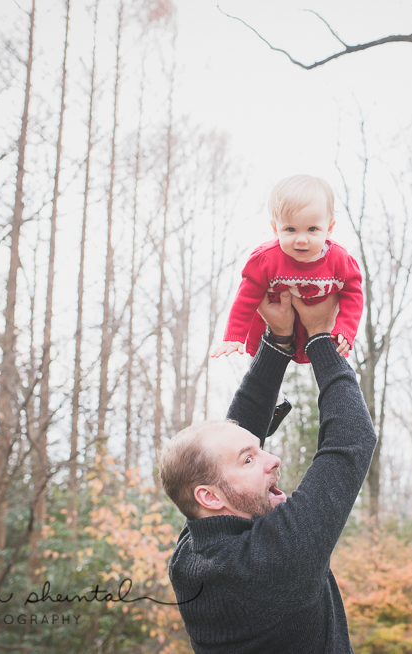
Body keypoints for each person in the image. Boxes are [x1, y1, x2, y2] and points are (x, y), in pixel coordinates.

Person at [160, 292, 376, 653]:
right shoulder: (273, 560)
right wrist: (321, 337)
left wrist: (278, 341)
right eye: (249, 459)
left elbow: (234, 434)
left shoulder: (191, 556)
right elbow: (352, 440)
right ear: (210, 496)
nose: (272, 459)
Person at [210, 174, 363, 364]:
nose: (301, 239)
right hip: (272, 331)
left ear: (329, 228)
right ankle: (270, 388)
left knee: (329, 359)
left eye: (312, 229)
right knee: (265, 368)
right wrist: (234, 335)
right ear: (275, 228)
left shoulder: (340, 261)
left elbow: (353, 295)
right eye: (290, 229)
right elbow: (246, 297)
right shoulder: (266, 260)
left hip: (318, 332)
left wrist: (345, 329)